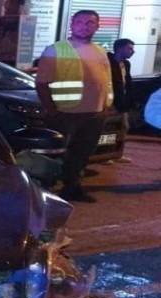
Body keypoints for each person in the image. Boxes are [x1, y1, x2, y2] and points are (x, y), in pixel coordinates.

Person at [35, 10, 113, 203]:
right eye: (80, 22)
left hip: (95, 113)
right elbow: (42, 83)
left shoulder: (100, 51)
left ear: (97, 26)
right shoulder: (55, 50)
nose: (84, 26)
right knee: (58, 154)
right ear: (72, 24)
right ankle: (48, 191)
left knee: (82, 154)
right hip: (65, 113)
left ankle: (72, 187)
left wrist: (106, 105)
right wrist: (52, 109)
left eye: (90, 22)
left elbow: (106, 81)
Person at [108, 38, 136, 147]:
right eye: (130, 48)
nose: (133, 52)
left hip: (123, 102)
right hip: (112, 102)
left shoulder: (126, 64)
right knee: (112, 128)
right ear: (120, 48)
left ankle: (117, 150)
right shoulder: (108, 63)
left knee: (123, 127)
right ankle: (109, 151)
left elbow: (127, 84)